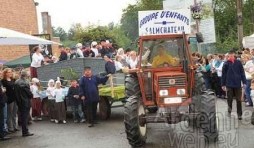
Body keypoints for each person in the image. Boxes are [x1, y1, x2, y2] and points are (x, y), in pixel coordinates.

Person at [222, 50, 246, 120]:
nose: (231, 57)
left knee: (239, 100)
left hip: (237, 84)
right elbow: (223, 75)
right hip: (229, 84)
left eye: (232, 55)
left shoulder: (238, 62)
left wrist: (244, 82)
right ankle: (229, 111)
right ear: (228, 56)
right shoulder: (226, 63)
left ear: (234, 55)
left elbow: (242, 72)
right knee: (229, 99)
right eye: (230, 55)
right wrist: (223, 84)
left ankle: (239, 114)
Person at [14, 70, 34, 137]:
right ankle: (25, 132)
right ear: (25, 75)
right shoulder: (25, 82)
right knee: (24, 117)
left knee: (22, 116)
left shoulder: (16, 82)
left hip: (19, 102)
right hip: (25, 102)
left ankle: (25, 131)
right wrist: (31, 95)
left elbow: (16, 93)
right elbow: (29, 93)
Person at [1, 68, 19, 133]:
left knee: (14, 113)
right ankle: (10, 127)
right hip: (9, 99)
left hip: (15, 98)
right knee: (9, 114)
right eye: (8, 72)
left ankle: (15, 126)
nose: (10, 73)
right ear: (5, 73)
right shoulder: (3, 81)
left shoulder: (13, 79)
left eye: (10, 72)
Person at [0, 72, 10, 140]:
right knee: (1, 119)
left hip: (3, 101)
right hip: (1, 102)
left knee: (3, 118)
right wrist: (2, 90)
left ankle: (2, 133)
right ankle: (2, 135)